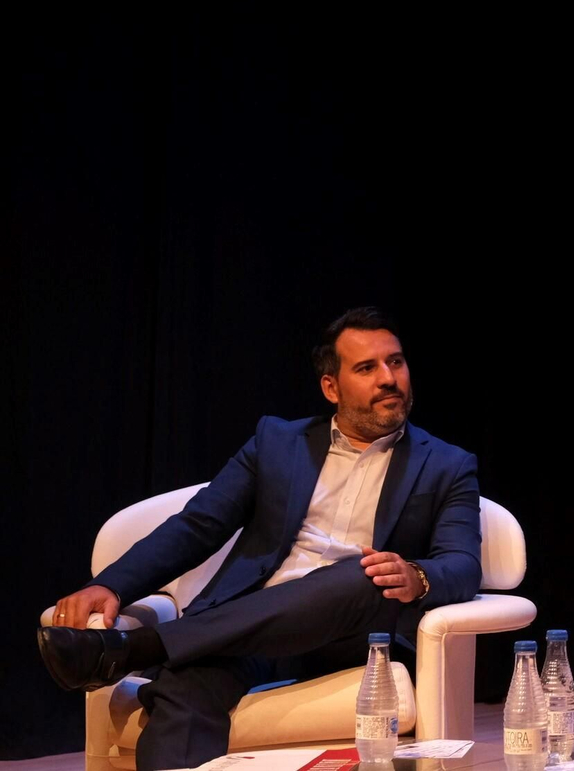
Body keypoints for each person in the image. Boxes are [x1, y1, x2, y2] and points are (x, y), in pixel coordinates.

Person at [37, 307, 482, 771]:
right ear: (331, 387)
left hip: (354, 637)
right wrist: (111, 586)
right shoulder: (277, 443)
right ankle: (170, 652)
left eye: (396, 362)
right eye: (367, 368)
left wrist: (417, 575)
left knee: (363, 573)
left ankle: (139, 649)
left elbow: (463, 564)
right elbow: (199, 525)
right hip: (252, 629)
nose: (388, 378)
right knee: (184, 691)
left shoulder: (446, 464)